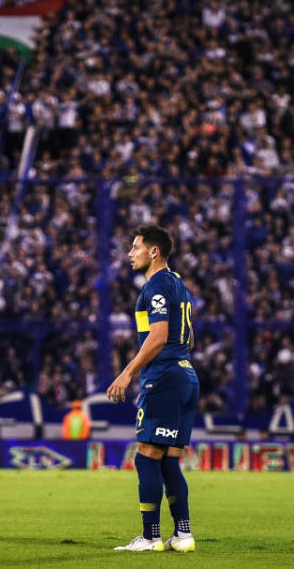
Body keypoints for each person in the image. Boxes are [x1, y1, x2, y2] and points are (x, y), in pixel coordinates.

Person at [108, 225, 199, 553]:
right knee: (168, 461)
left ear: (154, 252)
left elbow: (159, 337)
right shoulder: (178, 283)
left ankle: (150, 537)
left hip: (164, 379)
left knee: (146, 458)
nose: (130, 253)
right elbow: (187, 337)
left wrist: (127, 373)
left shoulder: (157, 285)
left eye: (136, 247)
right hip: (187, 376)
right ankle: (184, 535)